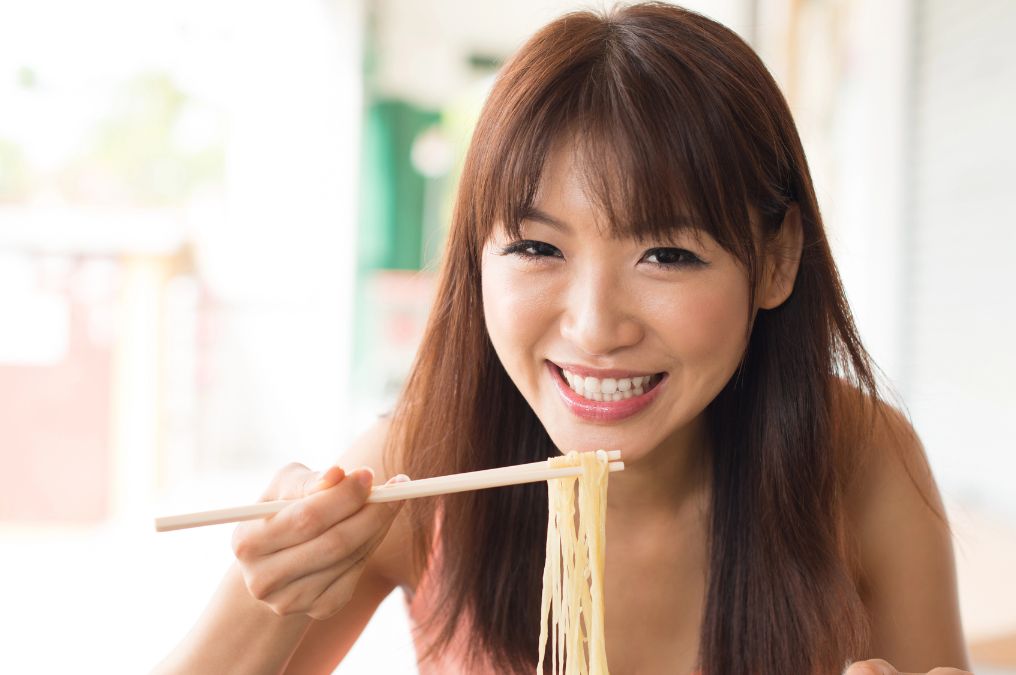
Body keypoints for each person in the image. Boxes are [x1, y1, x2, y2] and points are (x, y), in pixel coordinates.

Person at [155, 3, 972, 674]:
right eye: (537, 247)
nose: (593, 326)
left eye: (667, 253)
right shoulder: (421, 469)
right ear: (476, 256)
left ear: (777, 260)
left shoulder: (861, 462)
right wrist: (262, 590)